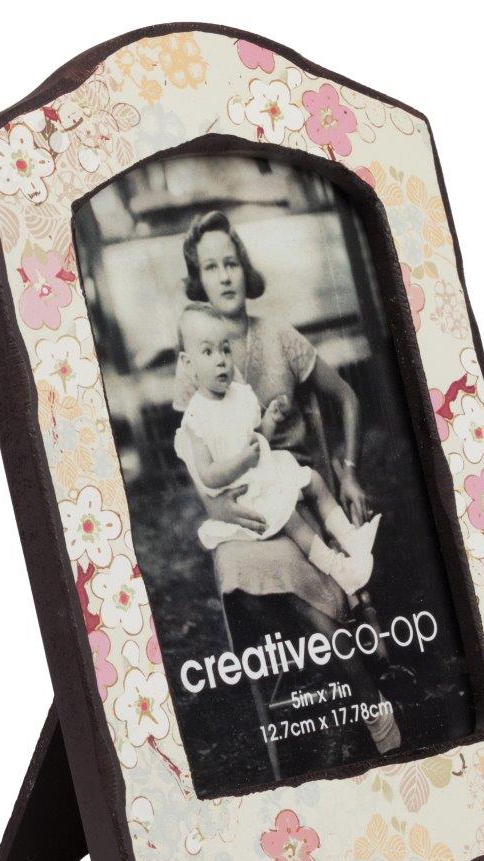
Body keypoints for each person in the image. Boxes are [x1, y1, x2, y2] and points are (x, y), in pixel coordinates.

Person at [173, 209, 401, 755]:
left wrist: (347, 471)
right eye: (210, 267)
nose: (224, 276)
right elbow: (196, 455)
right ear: (198, 280)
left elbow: (346, 396)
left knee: (311, 610)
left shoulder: (277, 335)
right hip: (245, 509)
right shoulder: (195, 355)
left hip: (296, 492)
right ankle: (338, 658)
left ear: (244, 268)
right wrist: (216, 508)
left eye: (231, 263)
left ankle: (370, 708)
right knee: (250, 573)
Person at [175, 302, 381, 596]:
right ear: (187, 364)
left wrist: (270, 420)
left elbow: (258, 438)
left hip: (265, 473)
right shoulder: (197, 418)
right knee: (291, 518)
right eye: (208, 352)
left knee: (314, 480)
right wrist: (242, 462)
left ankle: (353, 540)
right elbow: (207, 474)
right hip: (246, 495)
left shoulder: (239, 395)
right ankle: (339, 570)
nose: (221, 360)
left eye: (225, 349)